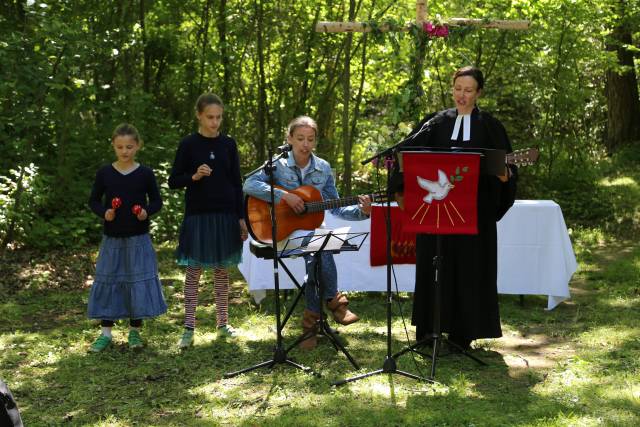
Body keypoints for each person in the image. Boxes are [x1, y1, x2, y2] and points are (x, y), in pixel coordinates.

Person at [395, 66, 518, 350]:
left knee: (469, 270)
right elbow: (407, 157)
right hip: (436, 215)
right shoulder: (434, 123)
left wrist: (504, 176)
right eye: (458, 89)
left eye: (468, 90)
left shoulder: (490, 126)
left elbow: (507, 172)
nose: (462, 95)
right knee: (433, 266)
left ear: (479, 93)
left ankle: (463, 335)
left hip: (473, 216)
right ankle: (428, 330)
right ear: (452, 88)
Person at [243, 116, 372, 350]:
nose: (305, 144)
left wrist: (363, 211)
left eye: (310, 139)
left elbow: (336, 205)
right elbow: (249, 185)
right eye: (300, 138)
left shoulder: (322, 168)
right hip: (280, 233)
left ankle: (311, 322)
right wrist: (285, 196)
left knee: (320, 249)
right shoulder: (277, 164)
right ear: (289, 138)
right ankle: (334, 302)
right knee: (322, 245)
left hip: (311, 233)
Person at [169, 93, 248, 349]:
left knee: (222, 271)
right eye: (210, 117)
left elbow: (237, 183)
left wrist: (241, 218)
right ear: (199, 116)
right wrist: (193, 176)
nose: (215, 123)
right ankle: (188, 328)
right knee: (193, 271)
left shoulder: (228, 144)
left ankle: (222, 324)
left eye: (219, 117)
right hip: (198, 215)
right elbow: (173, 181)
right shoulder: (189, 144)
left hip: (225, 214)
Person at [87, 123, 166, 352]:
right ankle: (106, 333)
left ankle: (135, 332)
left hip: (138, 238)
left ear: (137, 146)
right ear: (113, 145)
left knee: (135, 283)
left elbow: (157, 201)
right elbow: (93, 200)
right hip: (112, 238)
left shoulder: (145, 173)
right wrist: (105, 212)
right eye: (120, 146)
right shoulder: (105, 173)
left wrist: (145, 212)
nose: (124, 151)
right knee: (109, 281)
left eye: (129, 146)